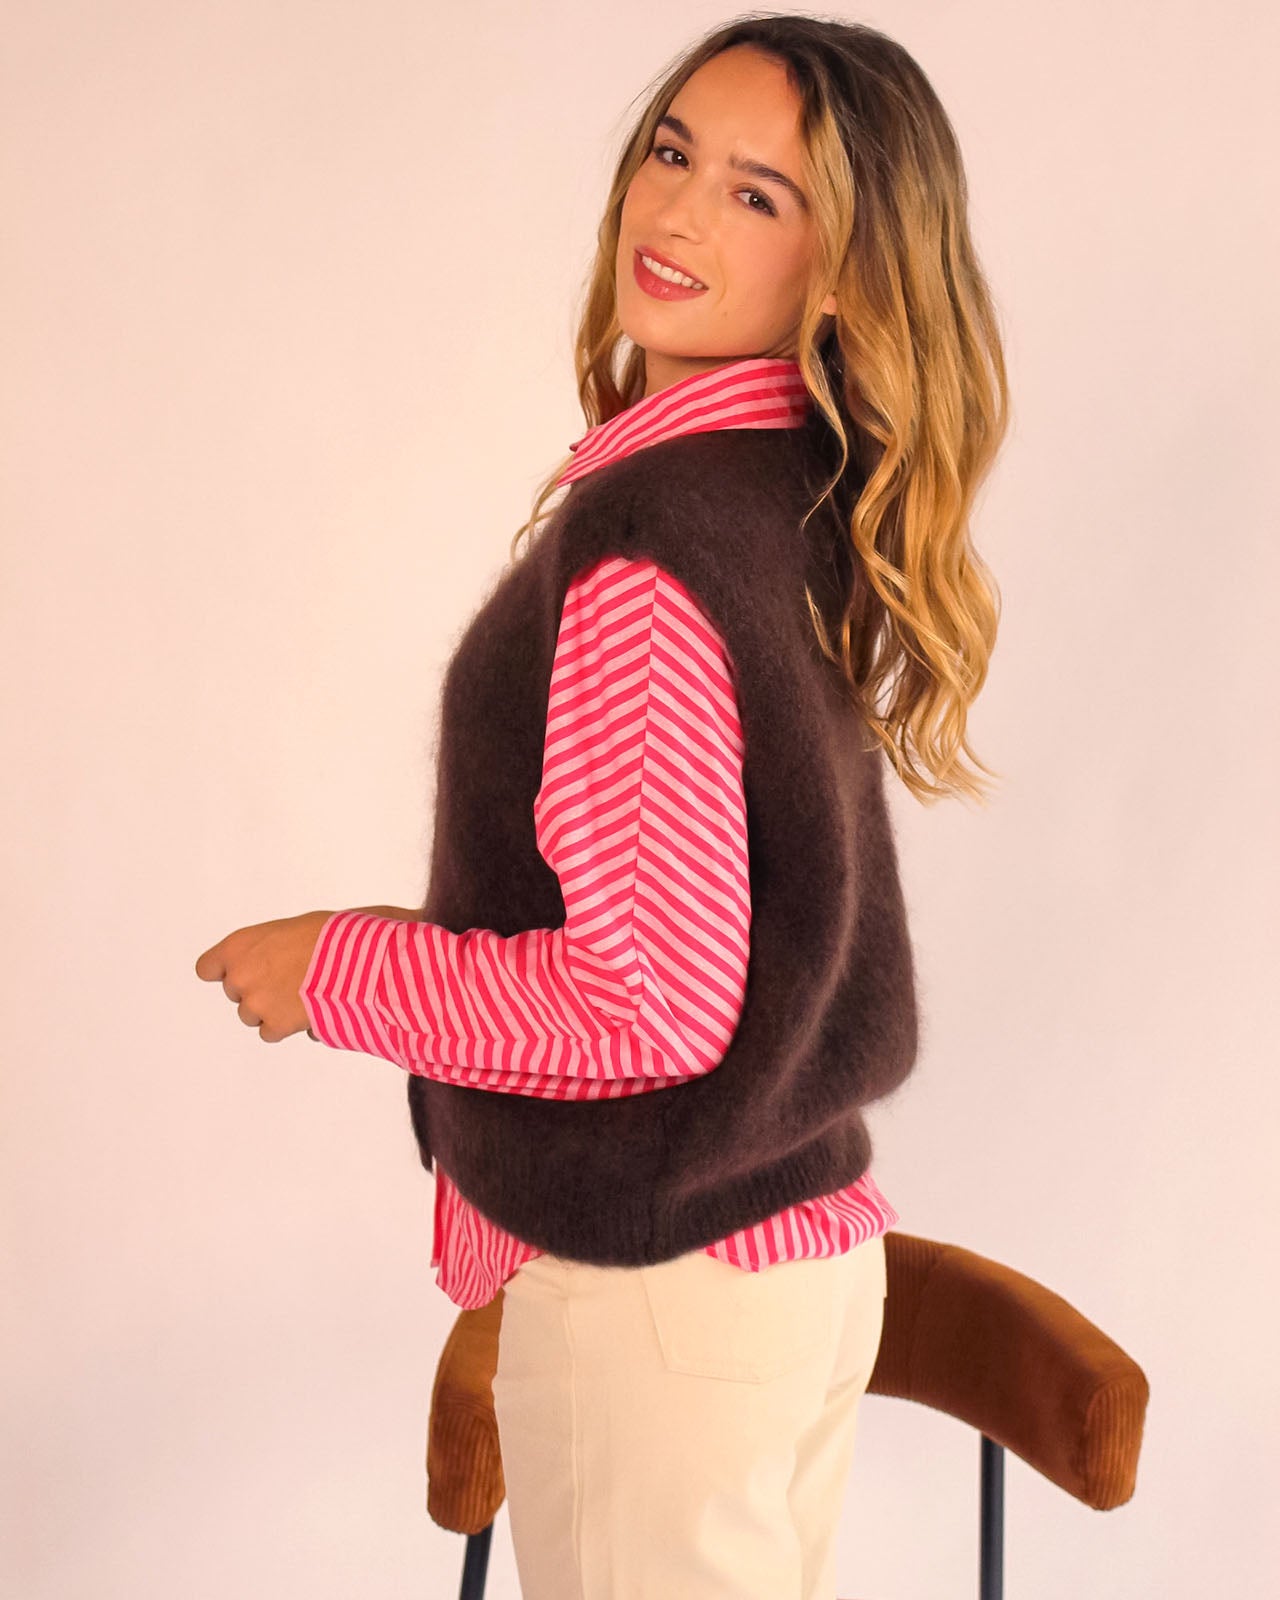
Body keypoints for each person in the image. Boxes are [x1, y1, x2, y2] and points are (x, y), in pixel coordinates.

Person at [195, 15, 1008, 1598]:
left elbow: (646, 1004)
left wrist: (339, 969)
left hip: (666, 1308)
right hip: (784, 1275)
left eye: (759, 195)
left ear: (842, 274)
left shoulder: (654, 547)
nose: (679, 211)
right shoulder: (784, 495)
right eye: (673, 152)